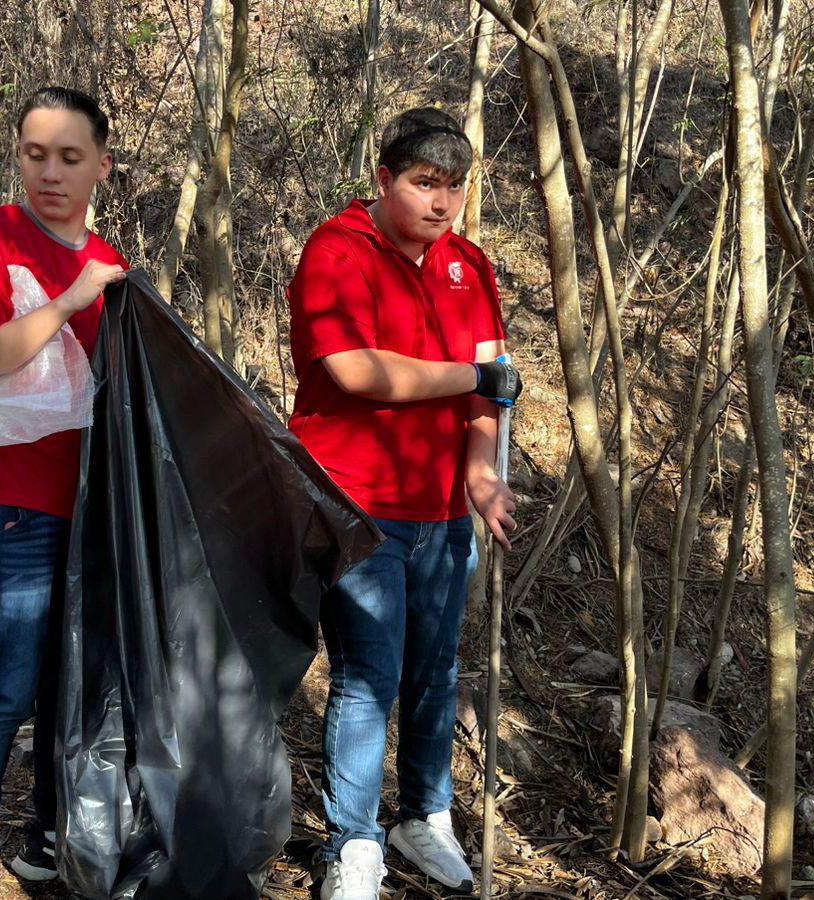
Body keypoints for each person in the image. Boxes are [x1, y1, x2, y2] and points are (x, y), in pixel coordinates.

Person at [285, 107, 523, 900]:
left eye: (454, 187)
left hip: (442, 513)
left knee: (433, 672)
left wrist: (483, 469)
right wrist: (476, 379)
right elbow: (360, 373)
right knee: (366, 676)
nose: (441, 202)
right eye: (425, 184)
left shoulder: (470, 264)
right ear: (384, 179)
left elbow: (498, 377)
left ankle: (423, 818)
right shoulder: (337, 250)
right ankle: (350, 845)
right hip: (356, 508)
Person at [0, 86, 128, 900]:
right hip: (13, 499)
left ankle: (46, 834)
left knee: (67, 683)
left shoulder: (107, 258)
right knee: (8, 683)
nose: (50, 172)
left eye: (70, 157)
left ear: (101, 167)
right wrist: (74, 299)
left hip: (92, 506)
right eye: (35, 154)